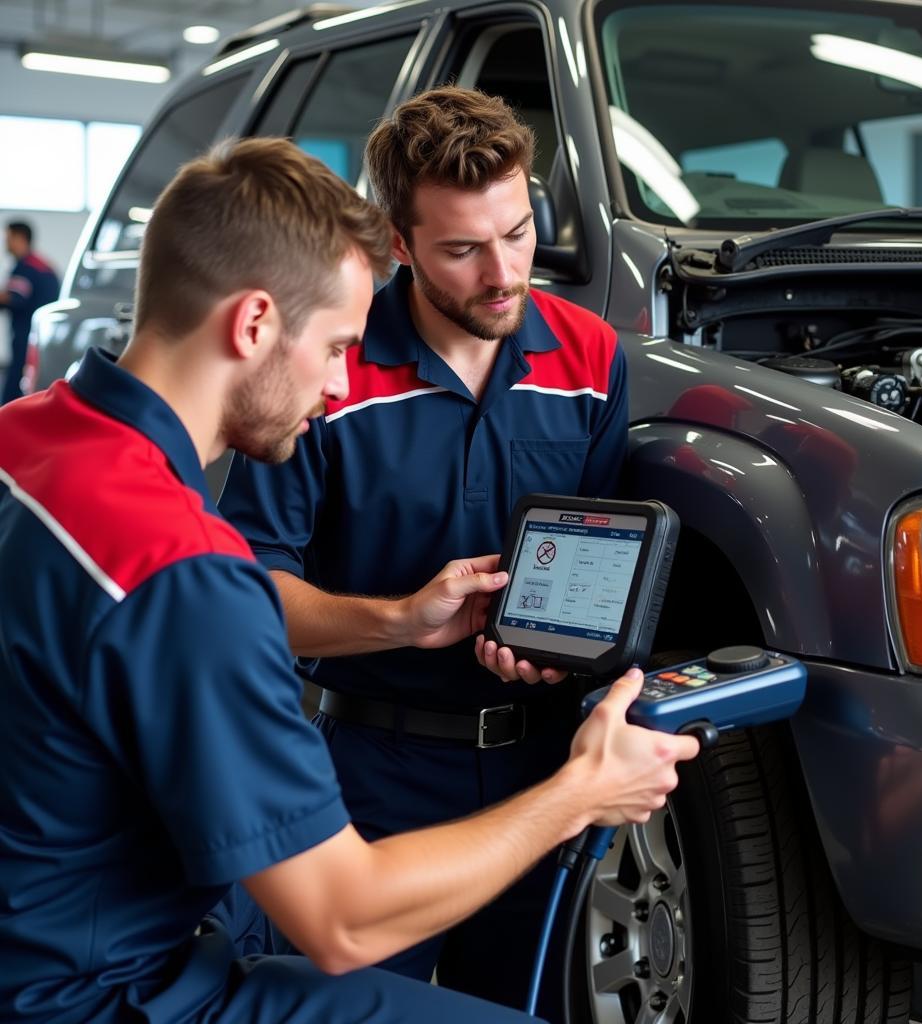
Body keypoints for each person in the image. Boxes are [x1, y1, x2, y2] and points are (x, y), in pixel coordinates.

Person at [0, 136, 698, 1024]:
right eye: (334, 347)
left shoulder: (24, 436)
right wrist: (583, 792)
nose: (339, 384)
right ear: (254, 324)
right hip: (108, 993)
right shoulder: (184, 571)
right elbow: (342, 917)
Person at [218, 86, 629, 1013]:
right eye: (461, 249)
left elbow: (610, 557)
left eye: (518, 233)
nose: (502, 274)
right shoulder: (329, 369)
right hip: (370, 775)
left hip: (543, 769)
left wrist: (577, 651)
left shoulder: (593, 358)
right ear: (398, 247)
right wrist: (400, 622)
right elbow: (247, 598)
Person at [0, 220, 59, 404]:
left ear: (20, 238)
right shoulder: (40, 264)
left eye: (8, 238)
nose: (6, 243)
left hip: (27, 333)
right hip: (39, 333)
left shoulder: (27, 267)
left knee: (18, 379)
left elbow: (15, 299)